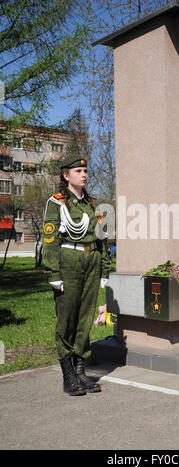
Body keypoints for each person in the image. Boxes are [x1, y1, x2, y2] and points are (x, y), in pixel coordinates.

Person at [42, 154, 110, 396]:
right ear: (66, 175)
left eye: (85, 171)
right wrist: (53, 271)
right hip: (68, 261)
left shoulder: (95, 205)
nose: (84, 174)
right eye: (78, 171)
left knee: (85, 316)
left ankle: (81, 369)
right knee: (67, 318)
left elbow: (103, 239)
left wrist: (104, 268)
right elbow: (49, 240)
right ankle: (68, 374)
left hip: (91, 261)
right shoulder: (57, 203)